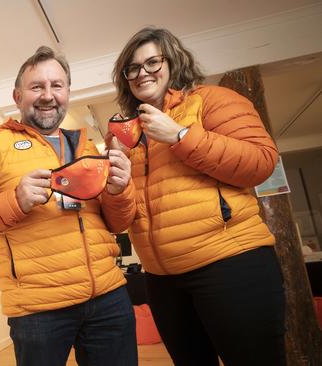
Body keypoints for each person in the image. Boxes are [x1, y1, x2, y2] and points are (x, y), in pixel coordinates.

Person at [0, 46, 138, 366]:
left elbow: (117, 223)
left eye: (56, 86)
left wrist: (119, 191)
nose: (48, 95)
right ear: (17, 96)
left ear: (67, 92)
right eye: (37, 86)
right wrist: (15, 200)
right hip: (39, 309)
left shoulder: (85, 145)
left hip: (107, 296)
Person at [109, 27, 286, 365]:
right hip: (162, 281)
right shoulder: (130, 133)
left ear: (173, 61)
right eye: (132, 68)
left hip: (230, 265)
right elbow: (123, 217)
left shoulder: (213, 99)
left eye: (151, 62)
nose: (142, 73)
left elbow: (262, 162)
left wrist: (180, 135)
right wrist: (116, 188)